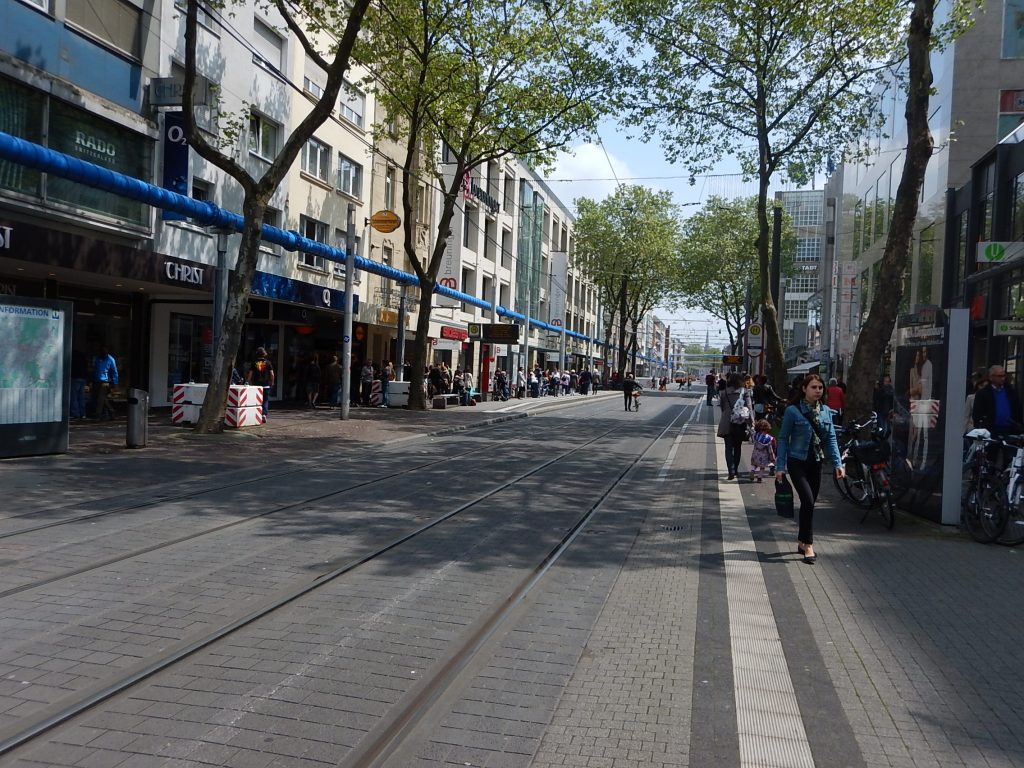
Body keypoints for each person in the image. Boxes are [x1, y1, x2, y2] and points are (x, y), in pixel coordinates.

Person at [775, 373, 844, 565]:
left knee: (810, 504)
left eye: (820, 388)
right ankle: (809, 545)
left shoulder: (826, 411)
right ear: (804, 389)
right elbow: (783, 438)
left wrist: (838, 463)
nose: (818, 391)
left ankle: (801, 541)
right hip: (797, 461)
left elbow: (831, 439)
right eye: (814, 387)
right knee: (807, 500)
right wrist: (780, 466)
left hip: (816, 462)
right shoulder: (792, 411)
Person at [718, 372, 753, 480]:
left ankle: (731, 470)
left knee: (728, 447)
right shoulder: (745, 392)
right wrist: (752, 423)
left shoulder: (723, 392)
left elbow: (722, 407)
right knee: (737, 446)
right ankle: (736, 469)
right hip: (740, 422)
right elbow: (749, 408)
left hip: (726, 422)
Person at [972, 364, 1022, 436]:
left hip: (1010, 430)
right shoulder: (983, 393)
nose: (1003, 378)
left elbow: (1018, 410)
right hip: (990, 431)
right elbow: (977, 413)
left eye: (1004, 376)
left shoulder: (1011, 392)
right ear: (991, 377)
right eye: (999, 376)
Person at [90, 345, 118, 420]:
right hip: (96, 381)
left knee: (100, 398)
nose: (103, 353)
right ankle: (111, 411)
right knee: (101, 398)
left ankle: (98, 415)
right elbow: (95, 369)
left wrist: (115, 382)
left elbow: (114, 371)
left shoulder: (110, 359)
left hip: (105, 381)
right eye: (101, 351)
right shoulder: (97, 358)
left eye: (104, 352)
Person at [246, 347, 274, 420]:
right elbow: (272, 374)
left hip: (256, 385)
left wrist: (248, 381)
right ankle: (264, 414)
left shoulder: (254, 363)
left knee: (256, 400)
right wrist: (272, 382)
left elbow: (250, 374)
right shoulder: (268, 363)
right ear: (264, 354)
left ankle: (255, 415)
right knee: (265, 400)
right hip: (266, 384)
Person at [749, 418, 777, 483]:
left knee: (754, 464)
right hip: (764, 455)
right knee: (762, 467)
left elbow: (752, 437)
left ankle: (752, 471)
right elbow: (770, 449)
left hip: (755, 453)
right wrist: (772, 457)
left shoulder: (756, 435)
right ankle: (759, 478)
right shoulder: (769, 438)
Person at [70, 348, 88, 419]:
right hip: (83, 378)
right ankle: (83, 413)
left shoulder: (73, 358)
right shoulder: (82, 358)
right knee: (81, 397)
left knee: (74, 396)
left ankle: (75, 413)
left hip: (75, 378)